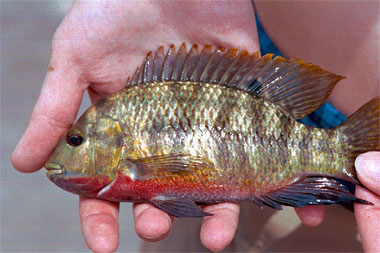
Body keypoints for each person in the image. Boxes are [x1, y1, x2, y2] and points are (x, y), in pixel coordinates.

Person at [11, 1, 379, 252]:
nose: (67, 150)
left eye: (77, 141)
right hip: (257, 53)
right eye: (74, 140)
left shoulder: (127, 145)